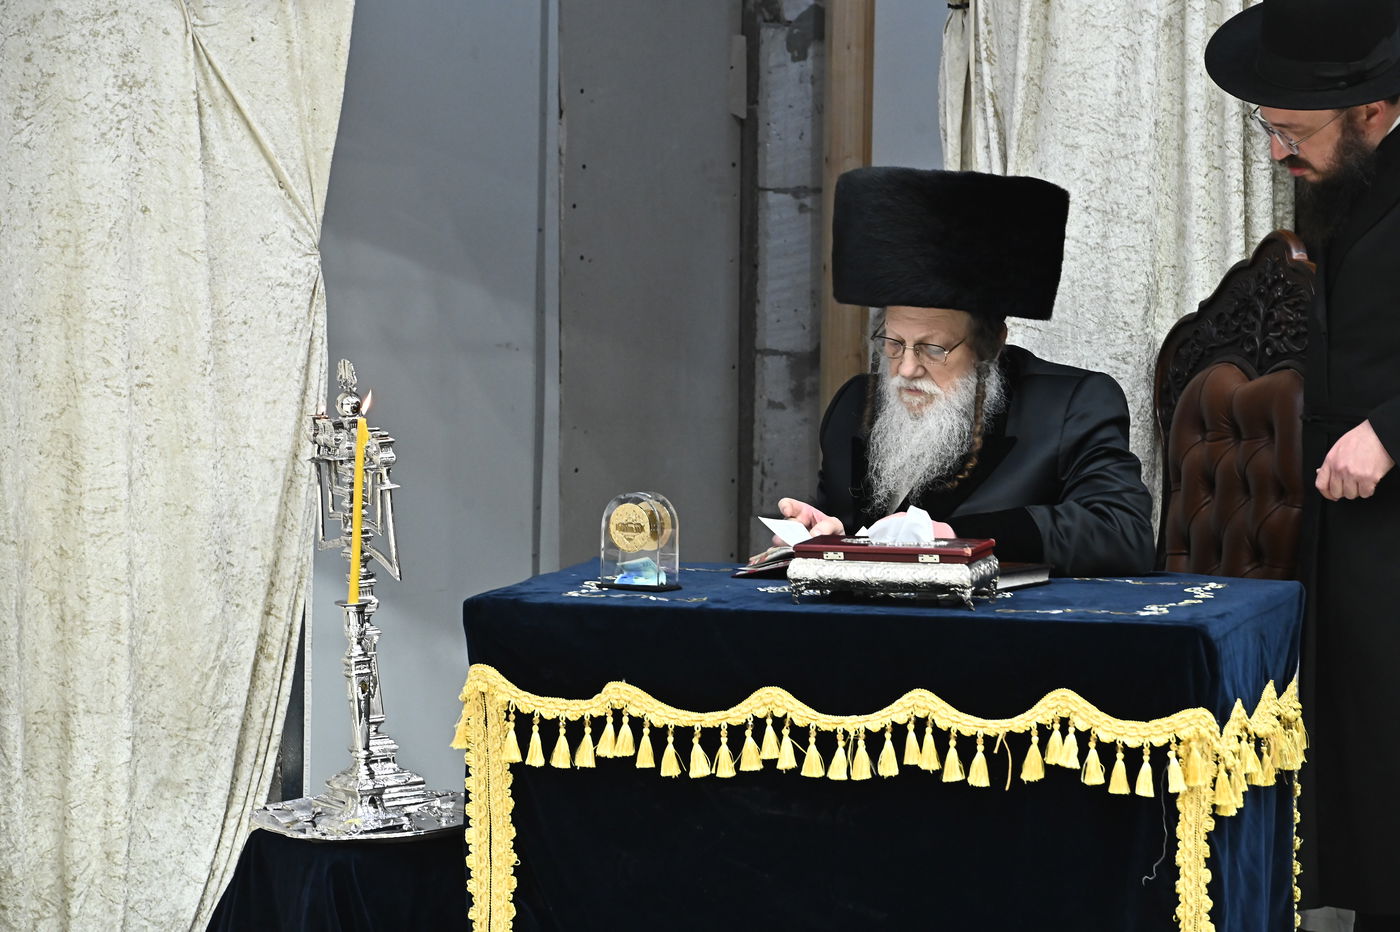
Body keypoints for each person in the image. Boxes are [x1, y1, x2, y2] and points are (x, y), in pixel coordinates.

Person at [1206, 1, 1400, 927]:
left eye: (1295, 132)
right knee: (1363, 777)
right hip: (1348, 532)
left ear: (1373, 109)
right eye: (1269, 128)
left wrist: (1392, 429)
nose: (1280, 151)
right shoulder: (1341, 173)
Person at [774, 166, 1155, 577]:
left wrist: (954, 537)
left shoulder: (1070, 406)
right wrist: (825, 536)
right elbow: (864, 540)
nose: (906, 368)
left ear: (990, 347)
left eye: (933, 349)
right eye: (893, 343)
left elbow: (1122, 534)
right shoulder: (853, 405)